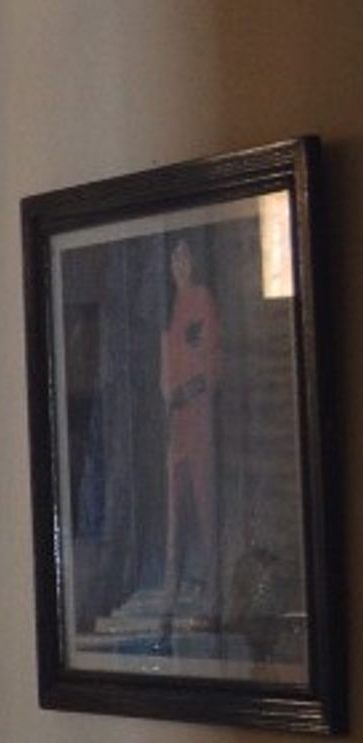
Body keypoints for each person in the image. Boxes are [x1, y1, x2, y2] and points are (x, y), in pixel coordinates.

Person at [160, 233, 222, 620]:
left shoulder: (201, 300)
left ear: (193, 262)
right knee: (174, 517)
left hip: (199, 423)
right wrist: (169, 396)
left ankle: (215, 599)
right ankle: (170, 597)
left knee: (204, 508)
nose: (179, 264)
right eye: (173, 258)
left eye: (184, 257)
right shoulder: (170, 309)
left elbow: (213, 364)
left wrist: (187, 390)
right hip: (175, 428)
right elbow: (163, 368)